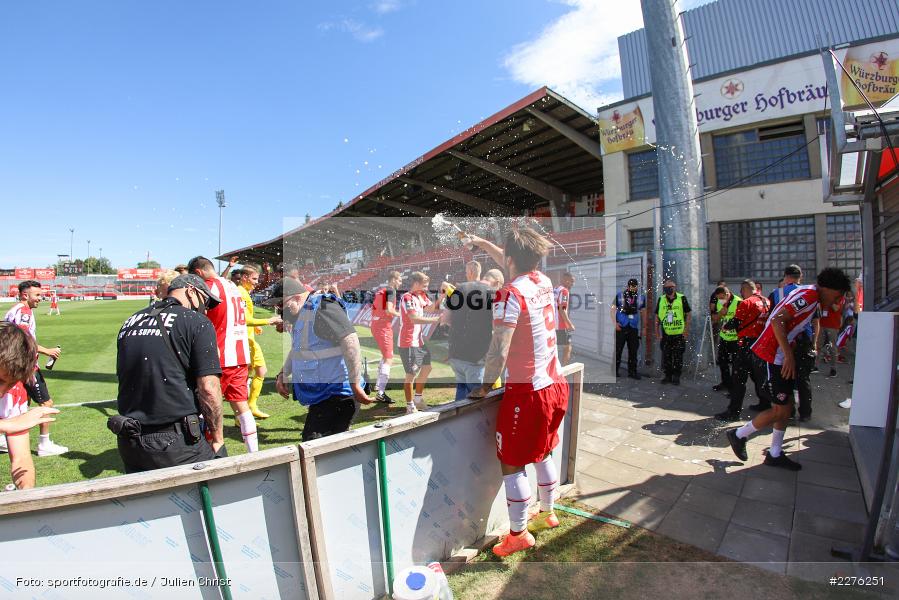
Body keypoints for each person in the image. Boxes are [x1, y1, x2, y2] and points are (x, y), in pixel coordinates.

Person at [466, 227, 569, 557]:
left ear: (511, 260)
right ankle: (549, 512)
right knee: (544, 451)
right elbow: (512, 261)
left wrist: (483, 386)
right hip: (556, 384)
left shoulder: (509, 293)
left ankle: (518, 533)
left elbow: (500, 349)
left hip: (528, 394)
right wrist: (482, 244)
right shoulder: (543, 281)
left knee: (512, 462)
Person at [727, 268, 851, 471]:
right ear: (828, 288)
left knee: (785, 407)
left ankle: (775, 453)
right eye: (837, 295)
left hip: (779, 355)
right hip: (771, 356)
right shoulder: (809, 296)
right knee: (781, 409)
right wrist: (789, 355)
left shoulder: (810, 294)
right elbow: (777, 320)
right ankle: (739, 435)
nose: (837, 301)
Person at [111, 274, 226, 473]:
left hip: (129, 440)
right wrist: (218, 439)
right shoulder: (196, 321)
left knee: (147, 502)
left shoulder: (131, 321)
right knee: (212, 495)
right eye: (205, 301)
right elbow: (209, 388)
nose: (205, 309)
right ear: (191, 291)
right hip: (175, 443)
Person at [272, 282, 372, 441]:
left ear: (296, 297)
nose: (279, 310)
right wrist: (283, 373)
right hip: (324, 394)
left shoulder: (323, 306)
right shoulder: (303, 314)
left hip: (339, 393)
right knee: (325, 448)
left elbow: (351, 341)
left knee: (314, 447)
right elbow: (299, 349)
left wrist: (354, 383)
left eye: (280, 304)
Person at [188, 256, 257, 453]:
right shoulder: (232, 286)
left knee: (208, 409)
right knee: (242, 408)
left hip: (218, 357)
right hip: (240, 355)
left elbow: (198, 322)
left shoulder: (208, 288)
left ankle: (209, 454)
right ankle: (255, 455)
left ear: (198, 273)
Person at [3, 280, 67, 456]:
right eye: (37, 295)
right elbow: (23, 341)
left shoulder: (15, 310)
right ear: (25, 295)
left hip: (13, 366)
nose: (41, 298)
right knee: (46, 403)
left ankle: (4, 439)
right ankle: (44, 444)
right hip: (26, 367)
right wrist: (49, 351)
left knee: (22, 402)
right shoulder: (23, 312)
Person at [0, 322, 62, 488]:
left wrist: (27, 496)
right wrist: (5, 425)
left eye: (11, 383)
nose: (2, 392)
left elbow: (21, 458)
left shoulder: (12, 395)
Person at [759, 264, 817, 418]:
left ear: (785, 276)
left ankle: (788, 412)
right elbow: (816, 321)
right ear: (800, 277)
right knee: (803, 378)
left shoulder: (776, 293)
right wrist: (815, 342)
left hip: (783, 343)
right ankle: (805, 412)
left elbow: (772, 320)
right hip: (804, 341)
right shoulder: (809, 293)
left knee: (785, 377)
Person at [715, 280, 771, 422]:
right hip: (760, 344)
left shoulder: (747, 303)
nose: (740, 293)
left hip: (746, 344)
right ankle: (766, 403)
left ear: (745, 289)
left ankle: (734, 411)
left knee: (739, 378)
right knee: (758, 376)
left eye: (741, 290)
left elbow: (736, 322)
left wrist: (726, 326)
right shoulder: (766, 301)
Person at [239, 264, 282, 419]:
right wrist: (267, 321)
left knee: (250, 374)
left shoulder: (244, 292)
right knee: (256, 373)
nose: (256, 282)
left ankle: (248, 407)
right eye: (254, 279)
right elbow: (243, 319)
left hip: (247, 338)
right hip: (246, 340)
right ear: (244, 278)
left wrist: (255, 326)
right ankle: (244, 411)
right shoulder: (241, 293)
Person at [397, 272, 444, 414]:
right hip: (408, 343)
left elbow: (430, 308)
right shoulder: (407, 298)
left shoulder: (420, 296)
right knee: (411, 375)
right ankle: (410, 406)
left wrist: (441, 297)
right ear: (416, 283)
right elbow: (414, 318)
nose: (426, 288)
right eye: (424, 285)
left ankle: (417, 399)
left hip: (419, 341)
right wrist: (436, 320)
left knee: (427, 367)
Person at [445, 269, 494, 400]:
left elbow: (446, 319)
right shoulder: (492, 293)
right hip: (475, 356)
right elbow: (497, 326)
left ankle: (457, 419)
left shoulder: (460, 287)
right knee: (477, 399)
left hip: (455, 352)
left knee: (461, 394)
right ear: (497, 282)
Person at [370, 271, 403, 404]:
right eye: (400, 280)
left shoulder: (381, 290)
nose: (400, 283)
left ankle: (378, 386)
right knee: (389, 359)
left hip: (376, 325)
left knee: (385, 357)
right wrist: (402, 314)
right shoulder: (391, 291)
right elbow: (389, 310)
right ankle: (381, 393)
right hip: (383, 327)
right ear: (394, 279)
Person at [656, 278, 691, 385]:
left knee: (678, 356)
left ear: (675, 288)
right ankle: (667, 376)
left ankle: (676, 376)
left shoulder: (682, 298)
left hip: (679, 334)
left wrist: (686, 330)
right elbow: (657, 316)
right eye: (667, 288)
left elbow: (688, 314)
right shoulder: (661, 299)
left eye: (671, 287)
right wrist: (657, 332)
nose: (669, 289)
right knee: (666, 356)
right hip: (666, 334)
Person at [612, 278, 646, 379]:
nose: (633, 288)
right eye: (631, 286)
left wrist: (644, 327)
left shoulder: (641, 298)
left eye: (635, 286)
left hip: (633, 328)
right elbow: (612, 310)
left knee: (633, 351)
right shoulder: (619, 295)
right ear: (627, 286)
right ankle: (614, 371)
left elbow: (643, 313)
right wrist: (615, 324)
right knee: (618, 350)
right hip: (621, 327)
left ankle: (632, 372)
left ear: (637, 287)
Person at [711, 286, 742, 393]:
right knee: (722, 361)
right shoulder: (720, 303)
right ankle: (725, 383)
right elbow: (715, 320)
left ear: (727, 295)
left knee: (735, 364)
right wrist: (720, 313)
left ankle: (734, 387)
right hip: (724, 337)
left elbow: (742, 320)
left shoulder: (739, 302)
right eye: (719, 298)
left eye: (722, 297)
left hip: (736, 339)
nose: (720, 300)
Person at [817, 293, 846, 378]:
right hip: (821, 324)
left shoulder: (838, 297)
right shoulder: (822, 296)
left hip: (832, 326)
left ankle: (833, 369)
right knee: (818, 346)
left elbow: (836, 308)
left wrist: (828, 299)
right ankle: (815, 366)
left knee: (832, 347)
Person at [554, 272, 576, 365]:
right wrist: (569, 324)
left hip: (551, 324)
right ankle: (564, 371)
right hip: (560, 325)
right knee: (568, 347)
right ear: (566, 280)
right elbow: (562, 309)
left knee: (553, 348)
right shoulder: (564, 291)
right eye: (572, 282)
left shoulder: (555, 288)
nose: (572, 284)